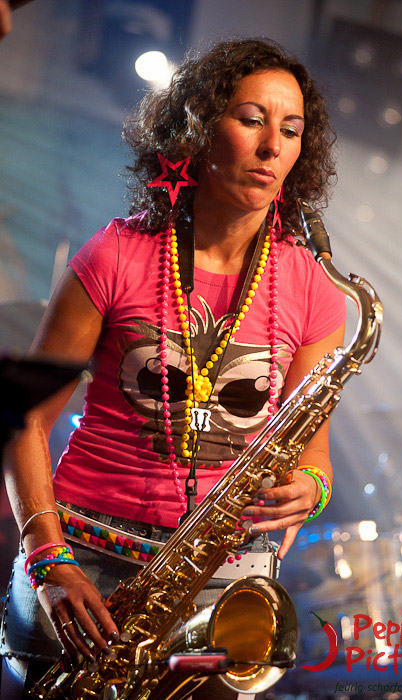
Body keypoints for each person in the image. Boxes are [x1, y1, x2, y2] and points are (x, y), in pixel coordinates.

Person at [0, 38, 346, 699]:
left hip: (221, 580)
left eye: (291, 129)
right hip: (83, 560)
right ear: (199, 125)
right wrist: (48, 561)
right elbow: (24, 423)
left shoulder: (315, 287)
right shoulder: (116, 254)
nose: (272, 146)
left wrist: (312, 489)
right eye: (251, 119)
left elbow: (316, 459)